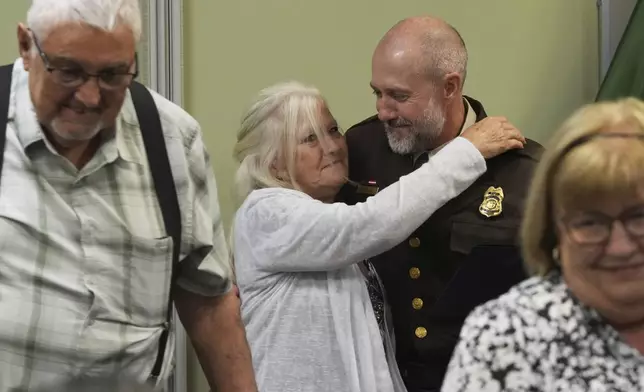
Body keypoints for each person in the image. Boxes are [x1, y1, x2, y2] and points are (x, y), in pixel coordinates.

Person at [0, 0, 257, 391]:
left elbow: (211, 303)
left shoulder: (170, 140)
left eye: (112, 75)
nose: (88, 97)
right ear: (26, 46)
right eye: (68, 72)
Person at [231, 81, 525, 392]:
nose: (332, 147)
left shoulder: (329, 230)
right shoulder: (264, 214)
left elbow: (373, 358)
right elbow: (367, 223)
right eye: (309, 139)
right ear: (272, 160)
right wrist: (465, 152)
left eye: (332, 130)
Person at [338, 15, 544, 391]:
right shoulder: (361, 149)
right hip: (380, 377)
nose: (384, 110)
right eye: (377, 93)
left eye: (399, 96)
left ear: (449, 87)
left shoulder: (524, 172)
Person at [441, 98, 644, 391]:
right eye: (590, 223)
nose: (619, 246)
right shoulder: (505, 335)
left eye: (639, 217)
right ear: (553, 231)